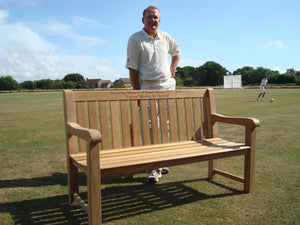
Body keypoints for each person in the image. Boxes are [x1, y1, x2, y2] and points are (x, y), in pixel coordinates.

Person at [126, 5, 181, 183]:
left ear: (160, 20)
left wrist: (172, 69)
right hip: (147, 88)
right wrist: (137, 95)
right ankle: (152, 167)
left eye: (156, 17)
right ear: (143, 20)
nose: (153, 20)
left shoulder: (165, 37)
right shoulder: (135, 39)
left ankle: (160, 160)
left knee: (164, 125)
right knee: (149, 128)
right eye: (149, 17)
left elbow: (177, 52)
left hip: (167, 87)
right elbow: (132, 69)